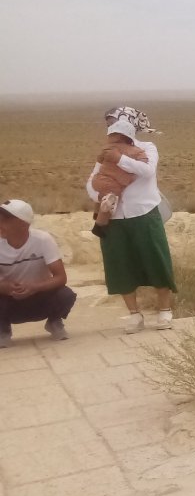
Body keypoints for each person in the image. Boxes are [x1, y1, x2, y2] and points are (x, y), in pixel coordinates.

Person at [85, 118, 177, 332]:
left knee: (156, 259)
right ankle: (134, 314)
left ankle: (165, 310)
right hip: (114, 217)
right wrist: (101, 195)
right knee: (120, 264)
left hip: (144, 213)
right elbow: (92, 180)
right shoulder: (105, 153)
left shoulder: (145, 148)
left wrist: (119, 159)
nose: (114, 139)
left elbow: (147, 171)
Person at [0, 199, 76, 347]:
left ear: (23, 224)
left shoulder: (42, 240)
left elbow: (61, 277)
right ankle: (2, 328)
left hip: (40, 298)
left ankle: (54, 320)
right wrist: (6, 287)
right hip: (9, 300)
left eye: (4, 219)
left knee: (66, 295)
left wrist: (34, 287)